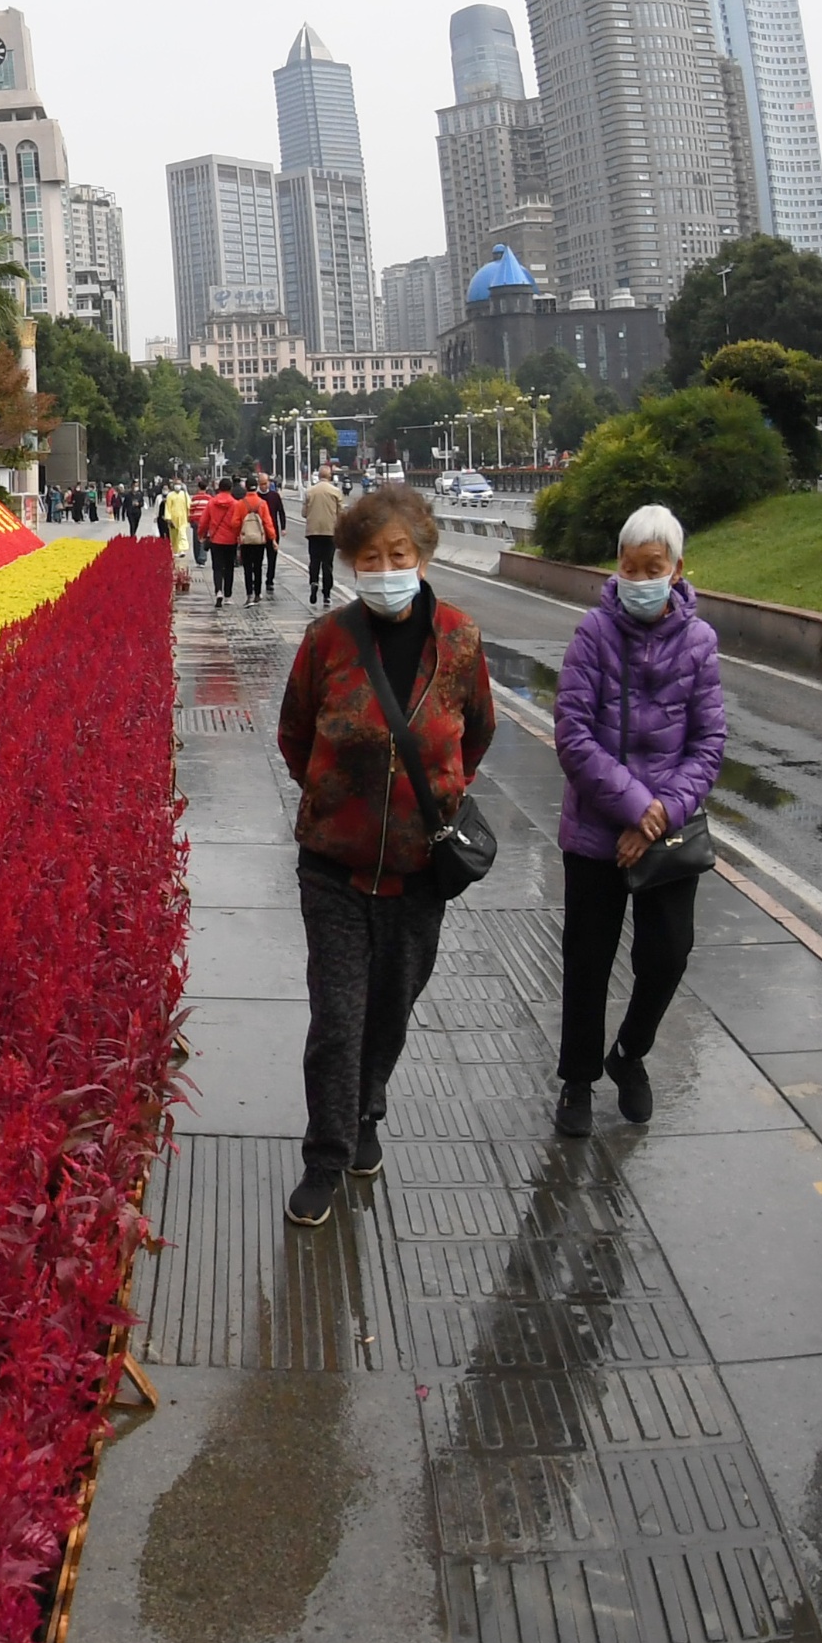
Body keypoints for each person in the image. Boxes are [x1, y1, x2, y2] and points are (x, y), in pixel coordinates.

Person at [274, 483, 494, 1225]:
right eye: (369, 558)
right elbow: (294, 736)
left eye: (397, 554)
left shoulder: (460, 641)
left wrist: (433, 794)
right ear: (351, 564)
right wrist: (338, 798)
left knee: (390, 1010)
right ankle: (325, 1155)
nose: (385, 568)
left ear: (423, 557)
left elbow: (477, 733)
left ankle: (367, 1112)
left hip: (416, 871)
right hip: (332, 866)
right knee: (336, 1018)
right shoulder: (326, 642)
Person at [550, 503, 724, 1135]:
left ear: (678, 571)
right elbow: (572, 734)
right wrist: (633, 806)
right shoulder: (593, 633)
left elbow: (708, 745)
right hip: (598, 827)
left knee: (669, 954)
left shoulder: (700, 643)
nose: (641, 578)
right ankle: (577, 1080)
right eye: (631, 566)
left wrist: (658, 816)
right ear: (617, 568)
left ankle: (629, 1053)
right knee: (587, 958)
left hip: (669, 832)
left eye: (654, 567)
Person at [302, 465, 345, 606]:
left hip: (313, 533)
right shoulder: (336, 492)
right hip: (329, 532)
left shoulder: (310, 491)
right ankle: (326, 594)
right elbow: (341, 513)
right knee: (327, 564)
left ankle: (314, 582)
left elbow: (304, 513)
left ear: (319, 476)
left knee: (314, 560)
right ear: (330, 476)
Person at [234, 476, 280, 605]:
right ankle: (258, 593)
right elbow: (268, 523)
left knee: (247, 567)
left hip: (246, 540)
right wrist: (273, 539)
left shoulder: (240, 504)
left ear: (246, 488)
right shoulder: (262, 504)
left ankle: (249, 593)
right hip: (260, 540)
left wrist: (238, 535)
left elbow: (235, 523)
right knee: (258, 567)